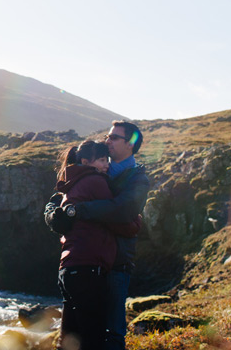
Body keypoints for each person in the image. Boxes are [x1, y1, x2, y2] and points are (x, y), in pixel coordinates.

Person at [70, 121, 150, 350]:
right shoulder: (95, 169)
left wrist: (81, 211)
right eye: (107, 136)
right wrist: (53, 213)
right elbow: (65, 194)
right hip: (88, 263)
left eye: (114, 137)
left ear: (130, 144)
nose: (108, 141)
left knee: (113, 332)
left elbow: (123, 210)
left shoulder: (138, 179)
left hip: (117, 264)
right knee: (82, 332)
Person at [53, 140, 118, 350]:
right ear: (85, 162)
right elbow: (117, 216)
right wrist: (136, 222)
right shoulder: (95, 181)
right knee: (93, 338)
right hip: (88, 269)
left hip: (68, 269)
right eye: (101, 160)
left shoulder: (71, 185)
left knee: (70, 340)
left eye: (107, 160)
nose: (106, 165)